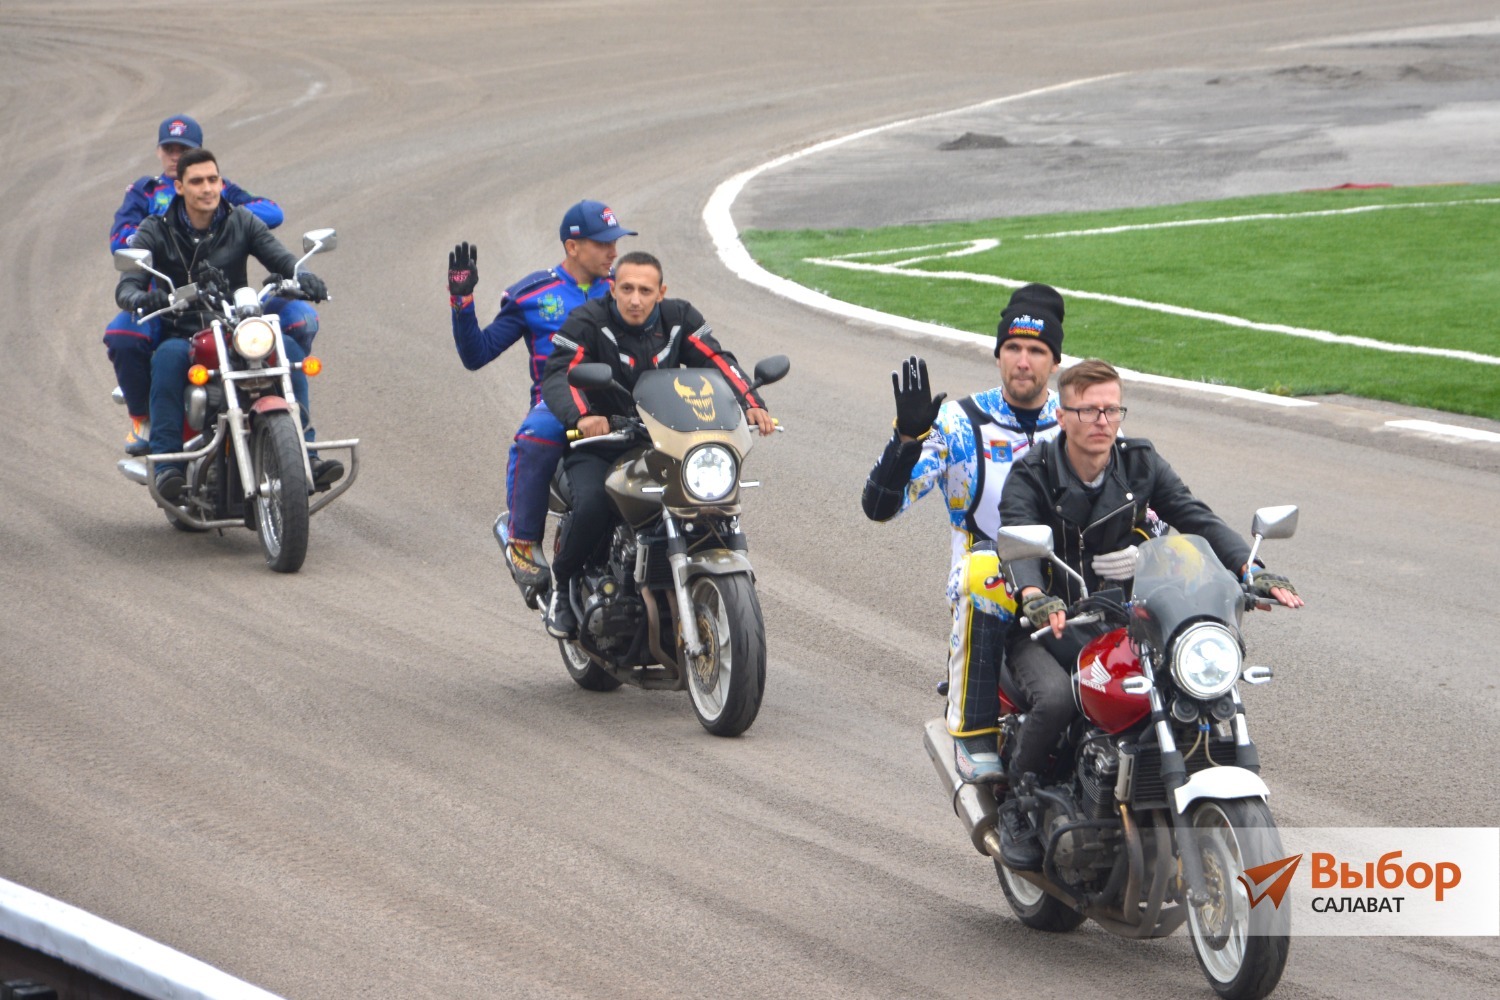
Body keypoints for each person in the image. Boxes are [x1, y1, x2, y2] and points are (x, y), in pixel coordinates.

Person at [994, 357, 1303, 870]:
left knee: (1187, 684)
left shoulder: (1140, 463)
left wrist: (1250, 569)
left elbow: (1194, 516)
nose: (1102, 421)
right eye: (1089, 410)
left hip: (1124, 619)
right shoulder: (1034, 472)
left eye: (1112, 409)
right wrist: (1034, 593)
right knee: (1055, 699)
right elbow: (1018, 535)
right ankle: (1017, 805)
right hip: (1049, 625)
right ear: (1062, 416)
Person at [861, 284, 1067, 783]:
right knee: (984, 569)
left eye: (1036, 350)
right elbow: (880, 507)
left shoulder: (1079, 418)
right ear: (998, 355)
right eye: (1013, 348)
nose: (1023, 361)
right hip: (990, 593)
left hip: (1071, 582)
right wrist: (905, 442)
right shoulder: (957, 422)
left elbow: (1139, 501)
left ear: (1055, 361)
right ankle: (972, 730)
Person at [539, 251, 775, 638]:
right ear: (612, 288)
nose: (635, 299)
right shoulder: (588, 321)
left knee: (704, 504)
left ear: (660, 292)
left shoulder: (679, 319)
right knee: (594, 504)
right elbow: (561, 372)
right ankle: (562, 587)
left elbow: (716, 359)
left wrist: (751, 402)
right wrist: (583, 417)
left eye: (645, 291)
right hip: (603, 443)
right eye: (627, 289)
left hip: (665, 442)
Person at [114, 147, 339, 501]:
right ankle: (169, 464)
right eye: (197, 182)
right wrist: (143, 297)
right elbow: (126, 286)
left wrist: (303, 276)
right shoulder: (156, 229)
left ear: (221, 182)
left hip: (236, 325)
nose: (207, 188)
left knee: (289, 350)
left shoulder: (241, 220)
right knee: (167, 360)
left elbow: (280, 258)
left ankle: (306, 454)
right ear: (179, 187)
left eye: (213, 179)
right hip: (185, 328)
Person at [446, 200, 635, 588]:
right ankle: (521, 542)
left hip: (622, 398)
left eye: (615, 242)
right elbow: (477, 355)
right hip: (558, 402)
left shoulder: (628, 289)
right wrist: (462, 303)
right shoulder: (532, 294)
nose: (613, 251)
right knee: (534, 437)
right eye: (603, 243)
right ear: (573, 247)